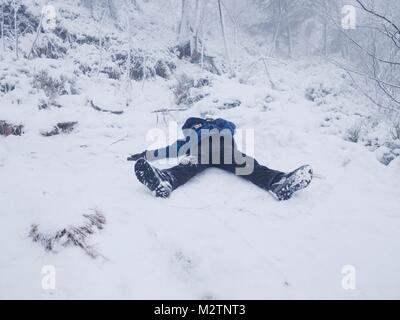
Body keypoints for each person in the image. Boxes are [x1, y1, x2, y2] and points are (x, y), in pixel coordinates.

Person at [127, 117, 313, 200]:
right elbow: (170, 149)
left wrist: (215, 122)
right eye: (193, 126)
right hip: (202, 153)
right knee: (186, 165)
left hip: (226, 152)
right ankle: (164, 181)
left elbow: (231, 125)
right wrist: (146, 154)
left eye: (197, 125)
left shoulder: (221, 128)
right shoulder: (189, 139)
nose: (196, 127)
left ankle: (278, 182)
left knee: (248, 165)